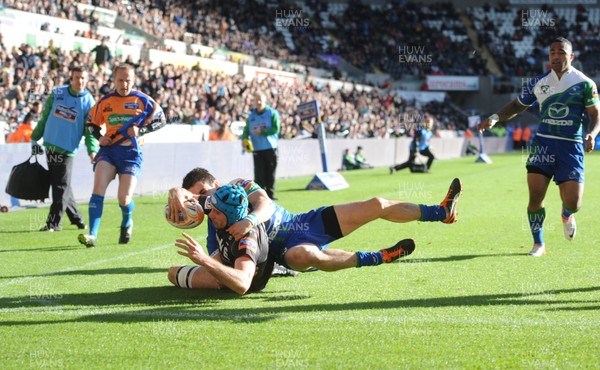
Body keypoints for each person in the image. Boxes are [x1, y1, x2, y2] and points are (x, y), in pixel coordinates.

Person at [168, 167, 462, 277]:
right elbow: (221, 259)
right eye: (197, 199)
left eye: (205, 193)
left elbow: (266, 204)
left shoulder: (239, 185)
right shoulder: (213, 219)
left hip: (302, 223)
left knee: (375, 205)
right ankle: (380, 257)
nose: (203, 202)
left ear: (215, 183)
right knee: (307, 255)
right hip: (283, 252)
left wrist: (250, 221)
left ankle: (441, 212)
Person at [477, 37, 600, 257]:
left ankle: (566, 214)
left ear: (571, 57)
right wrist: (495, 117)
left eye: (561, 52)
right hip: (543, 145)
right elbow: (517, 105)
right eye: (552, 52)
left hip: (571, 147)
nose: (555, 55)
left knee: (574, 202)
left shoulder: (585, 84)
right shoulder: (538, 82)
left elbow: (596, 115)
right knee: (535, 196)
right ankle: (538, 244)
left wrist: (591, 134)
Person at [78, 63, 166, 248]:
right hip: (109, 152)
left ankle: (127, 222)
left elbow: (162, 120)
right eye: (120, 80)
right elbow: (91, 123)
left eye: (128, 81)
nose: (124, 84)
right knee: (98, 190)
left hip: (131, 154)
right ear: (114, 80)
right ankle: (92, 235)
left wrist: (141, 131)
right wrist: (99, 137)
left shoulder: (143, 100)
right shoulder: (105, 101)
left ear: (133, 80)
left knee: (123, 199)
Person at [168, 184, 274, 294]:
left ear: (232, 216)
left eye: (217, 212)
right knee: (172, 273)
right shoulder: (222, 205)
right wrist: (175, 193)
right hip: (227, 262)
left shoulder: (247, 239)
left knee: (174, 274)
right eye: (212, 208)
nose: (211, 214)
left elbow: (243, 284)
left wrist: (203, 259)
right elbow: (187, 195)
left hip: (242, 280)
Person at [30, 66, 97, 232]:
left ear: (87, 79)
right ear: (71, 78)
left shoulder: (89, 101)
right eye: (77, 77)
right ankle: (77, 219)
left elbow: (90, 131)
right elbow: (45, 116)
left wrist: (92, 150)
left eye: (83, 78)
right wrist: (35, 136)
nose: (80, 81)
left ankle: (53, 223)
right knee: (62, 184)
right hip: (50, 145)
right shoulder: (57, 93)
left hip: (67, 149)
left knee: (60, 186)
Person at [240, 91, 280, 200]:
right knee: (258, 173)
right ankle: (259, 196)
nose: (258, 102)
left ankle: (270, 195)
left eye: (260, 100)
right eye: (256, 100)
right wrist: (244, 138)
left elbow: (276, 129)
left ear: (265, 101)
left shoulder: (272, 113)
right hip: (257, 148)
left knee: (270, 172)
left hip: (270, 147)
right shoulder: (251, 116)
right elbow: (246, 130)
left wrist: (262, 132)